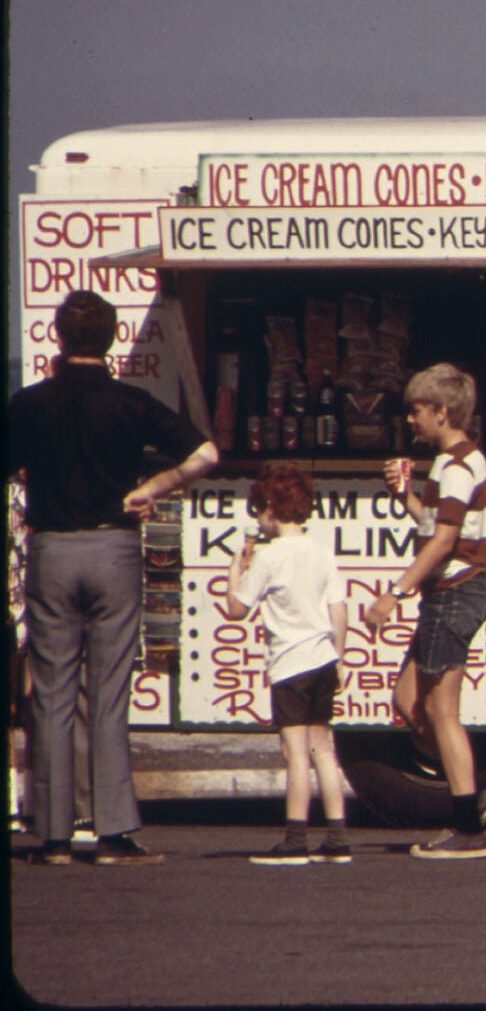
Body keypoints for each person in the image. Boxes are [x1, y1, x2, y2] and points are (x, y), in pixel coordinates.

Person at [8, 291, 218, 865]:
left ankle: (51, 834)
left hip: (51, 548)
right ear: (110, 338)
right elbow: (204, 454)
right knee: (107, 693)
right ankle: (112, 831)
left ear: (57, 336)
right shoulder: (131, 402)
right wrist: (151, 489)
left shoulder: (28, 404)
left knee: (49, 694)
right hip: (114, 546)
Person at [365, 363, 486, 860]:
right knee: (408, 701)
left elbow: (444, 541)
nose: (412, 422)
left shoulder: (458, 465)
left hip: (454, 593)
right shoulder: (451, 465)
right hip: (449, 594)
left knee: (443, 711)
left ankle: (467, 824)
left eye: (417, 412)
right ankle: (470, 794)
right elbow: (438, 525)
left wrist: (394, 593)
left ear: (442, 412)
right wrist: (405, 496)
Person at [225, 463, 352, 864]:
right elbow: (338, 607)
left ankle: (295, 840)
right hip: (324, 660)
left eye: (258, 512)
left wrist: (234, 570)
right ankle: (336, 838)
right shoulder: (321, 552)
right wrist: (341, 655)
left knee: (294, 753)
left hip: (290, 665)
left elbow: (236, 609)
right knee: (323, 750)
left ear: (269, 509)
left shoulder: (268, 557)